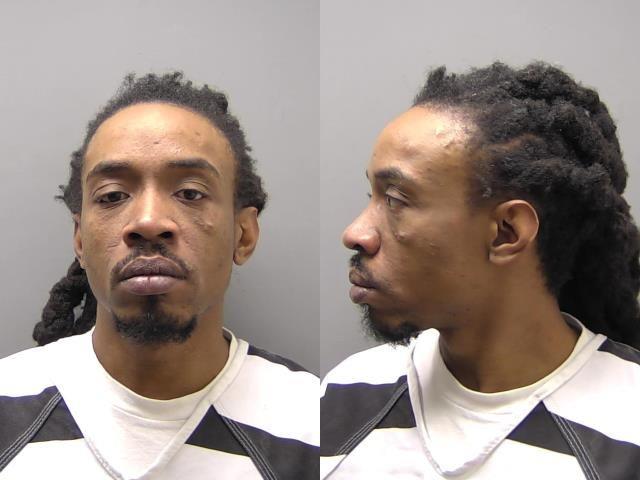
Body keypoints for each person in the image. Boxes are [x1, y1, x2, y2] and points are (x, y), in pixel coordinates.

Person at [321, 62, 640, 478]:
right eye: (373, 197)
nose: (356, 234)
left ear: (507, 232)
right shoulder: (346, 394)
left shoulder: (628, 427)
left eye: (396, 200)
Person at [0, 72, 318, 479]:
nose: (148, 221)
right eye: (112, 196)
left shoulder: (312, 421)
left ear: (244, 235)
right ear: (80, 239)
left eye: (190, 193)